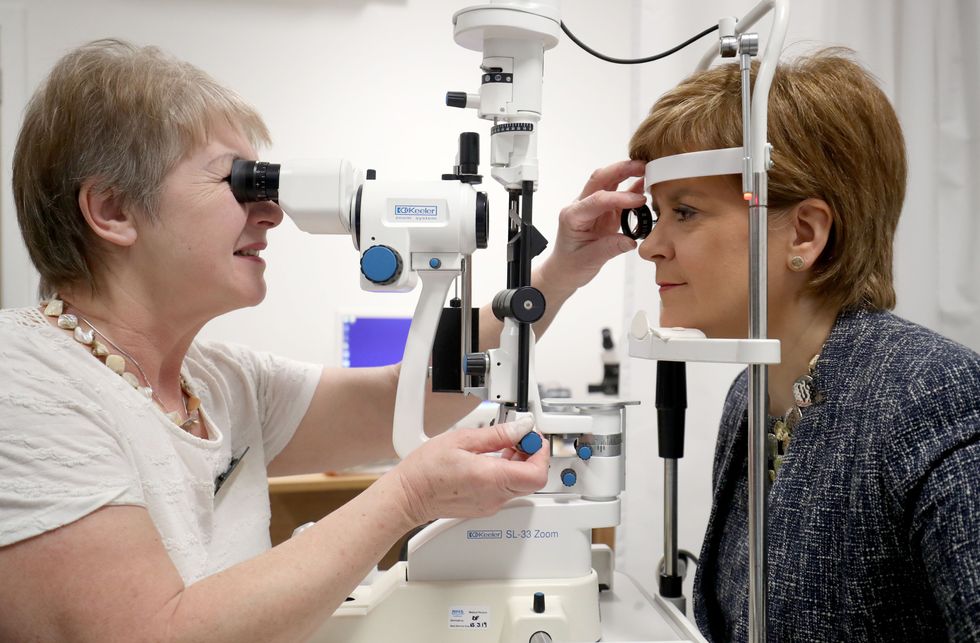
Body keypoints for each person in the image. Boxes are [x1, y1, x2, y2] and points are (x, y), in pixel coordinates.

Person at [0, 39, 645, 641]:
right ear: (112, 209)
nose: (272, 210)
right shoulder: (26, 381)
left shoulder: (219, 382)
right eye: (240, 181)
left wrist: (561, 270)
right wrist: (408, 497)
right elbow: (154, 631)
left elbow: (401, 398)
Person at [628, 48, 980, 641]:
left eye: (684, 212)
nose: (650, 247)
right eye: (655, 214)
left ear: (805, 232)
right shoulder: (750, 393)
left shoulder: (932, 399)